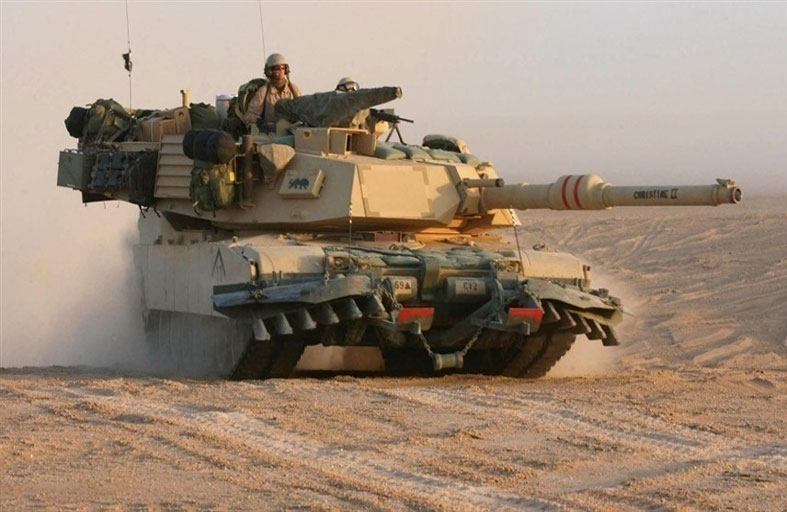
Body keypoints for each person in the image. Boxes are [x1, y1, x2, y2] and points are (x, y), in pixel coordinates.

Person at [243, 53, 302, 133]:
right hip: (271, 134)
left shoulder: (294, 90)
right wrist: (259, 123)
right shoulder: (263, 92)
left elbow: (302, 112)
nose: (280, 71)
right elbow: (251, 114)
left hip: (291, 132)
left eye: (283, 68)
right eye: (277, 69)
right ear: (269, 71)